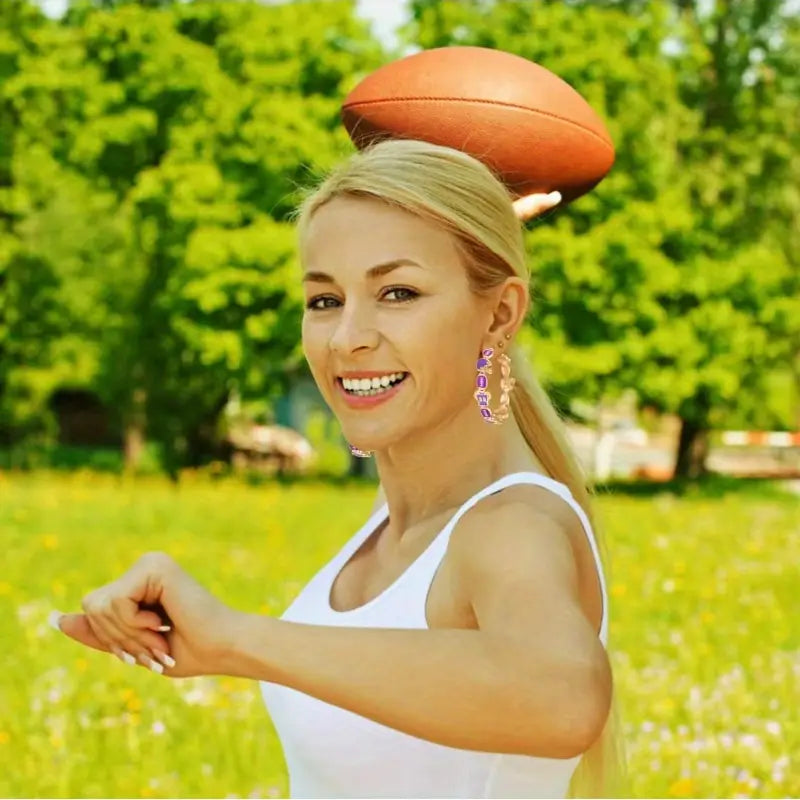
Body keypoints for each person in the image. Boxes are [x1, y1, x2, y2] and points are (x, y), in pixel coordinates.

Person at [50, 138, 629, 798]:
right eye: (325, 299)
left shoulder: (509, 525)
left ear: (501, 313)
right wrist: (453, 243)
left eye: (398, 292)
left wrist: (235, 640)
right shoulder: (405, 517)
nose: (347, 337)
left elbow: (561, 698)